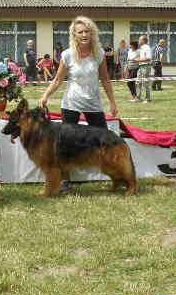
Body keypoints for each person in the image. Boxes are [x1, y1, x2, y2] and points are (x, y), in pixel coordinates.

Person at [38, 16, 119, 192]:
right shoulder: (67, 54)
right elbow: (58, 79)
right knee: (65, 145)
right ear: (74, 34)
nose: (84, 34)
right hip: (71, 103)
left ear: (92, 33)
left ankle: (116, 177)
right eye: (80, 32)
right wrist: (45, 96)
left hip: (94, 104)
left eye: (87, 31)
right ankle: (64, 182)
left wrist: (112, 102)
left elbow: (105, 79)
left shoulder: (99, 54)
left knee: (105, 142)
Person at [135, 35, 153, 102]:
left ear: (143, 40)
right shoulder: (142, 47)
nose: (138, 41)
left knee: (145, 83)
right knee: (138, 82)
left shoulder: (147, 47)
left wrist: (139, 60)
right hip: (141, 66)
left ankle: (147, 99)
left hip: (146, 66)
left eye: (140, 39)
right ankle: (138, 98)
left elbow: (149, 58)